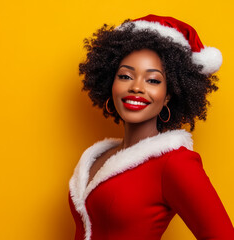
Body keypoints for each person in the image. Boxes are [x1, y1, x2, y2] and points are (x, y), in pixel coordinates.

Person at [68, 15, 234, 240]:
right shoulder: (98, 157)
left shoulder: (175, 163)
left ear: (168, 96)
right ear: (110, 83)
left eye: (153, 80)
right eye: (125, 76)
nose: (136, 87)